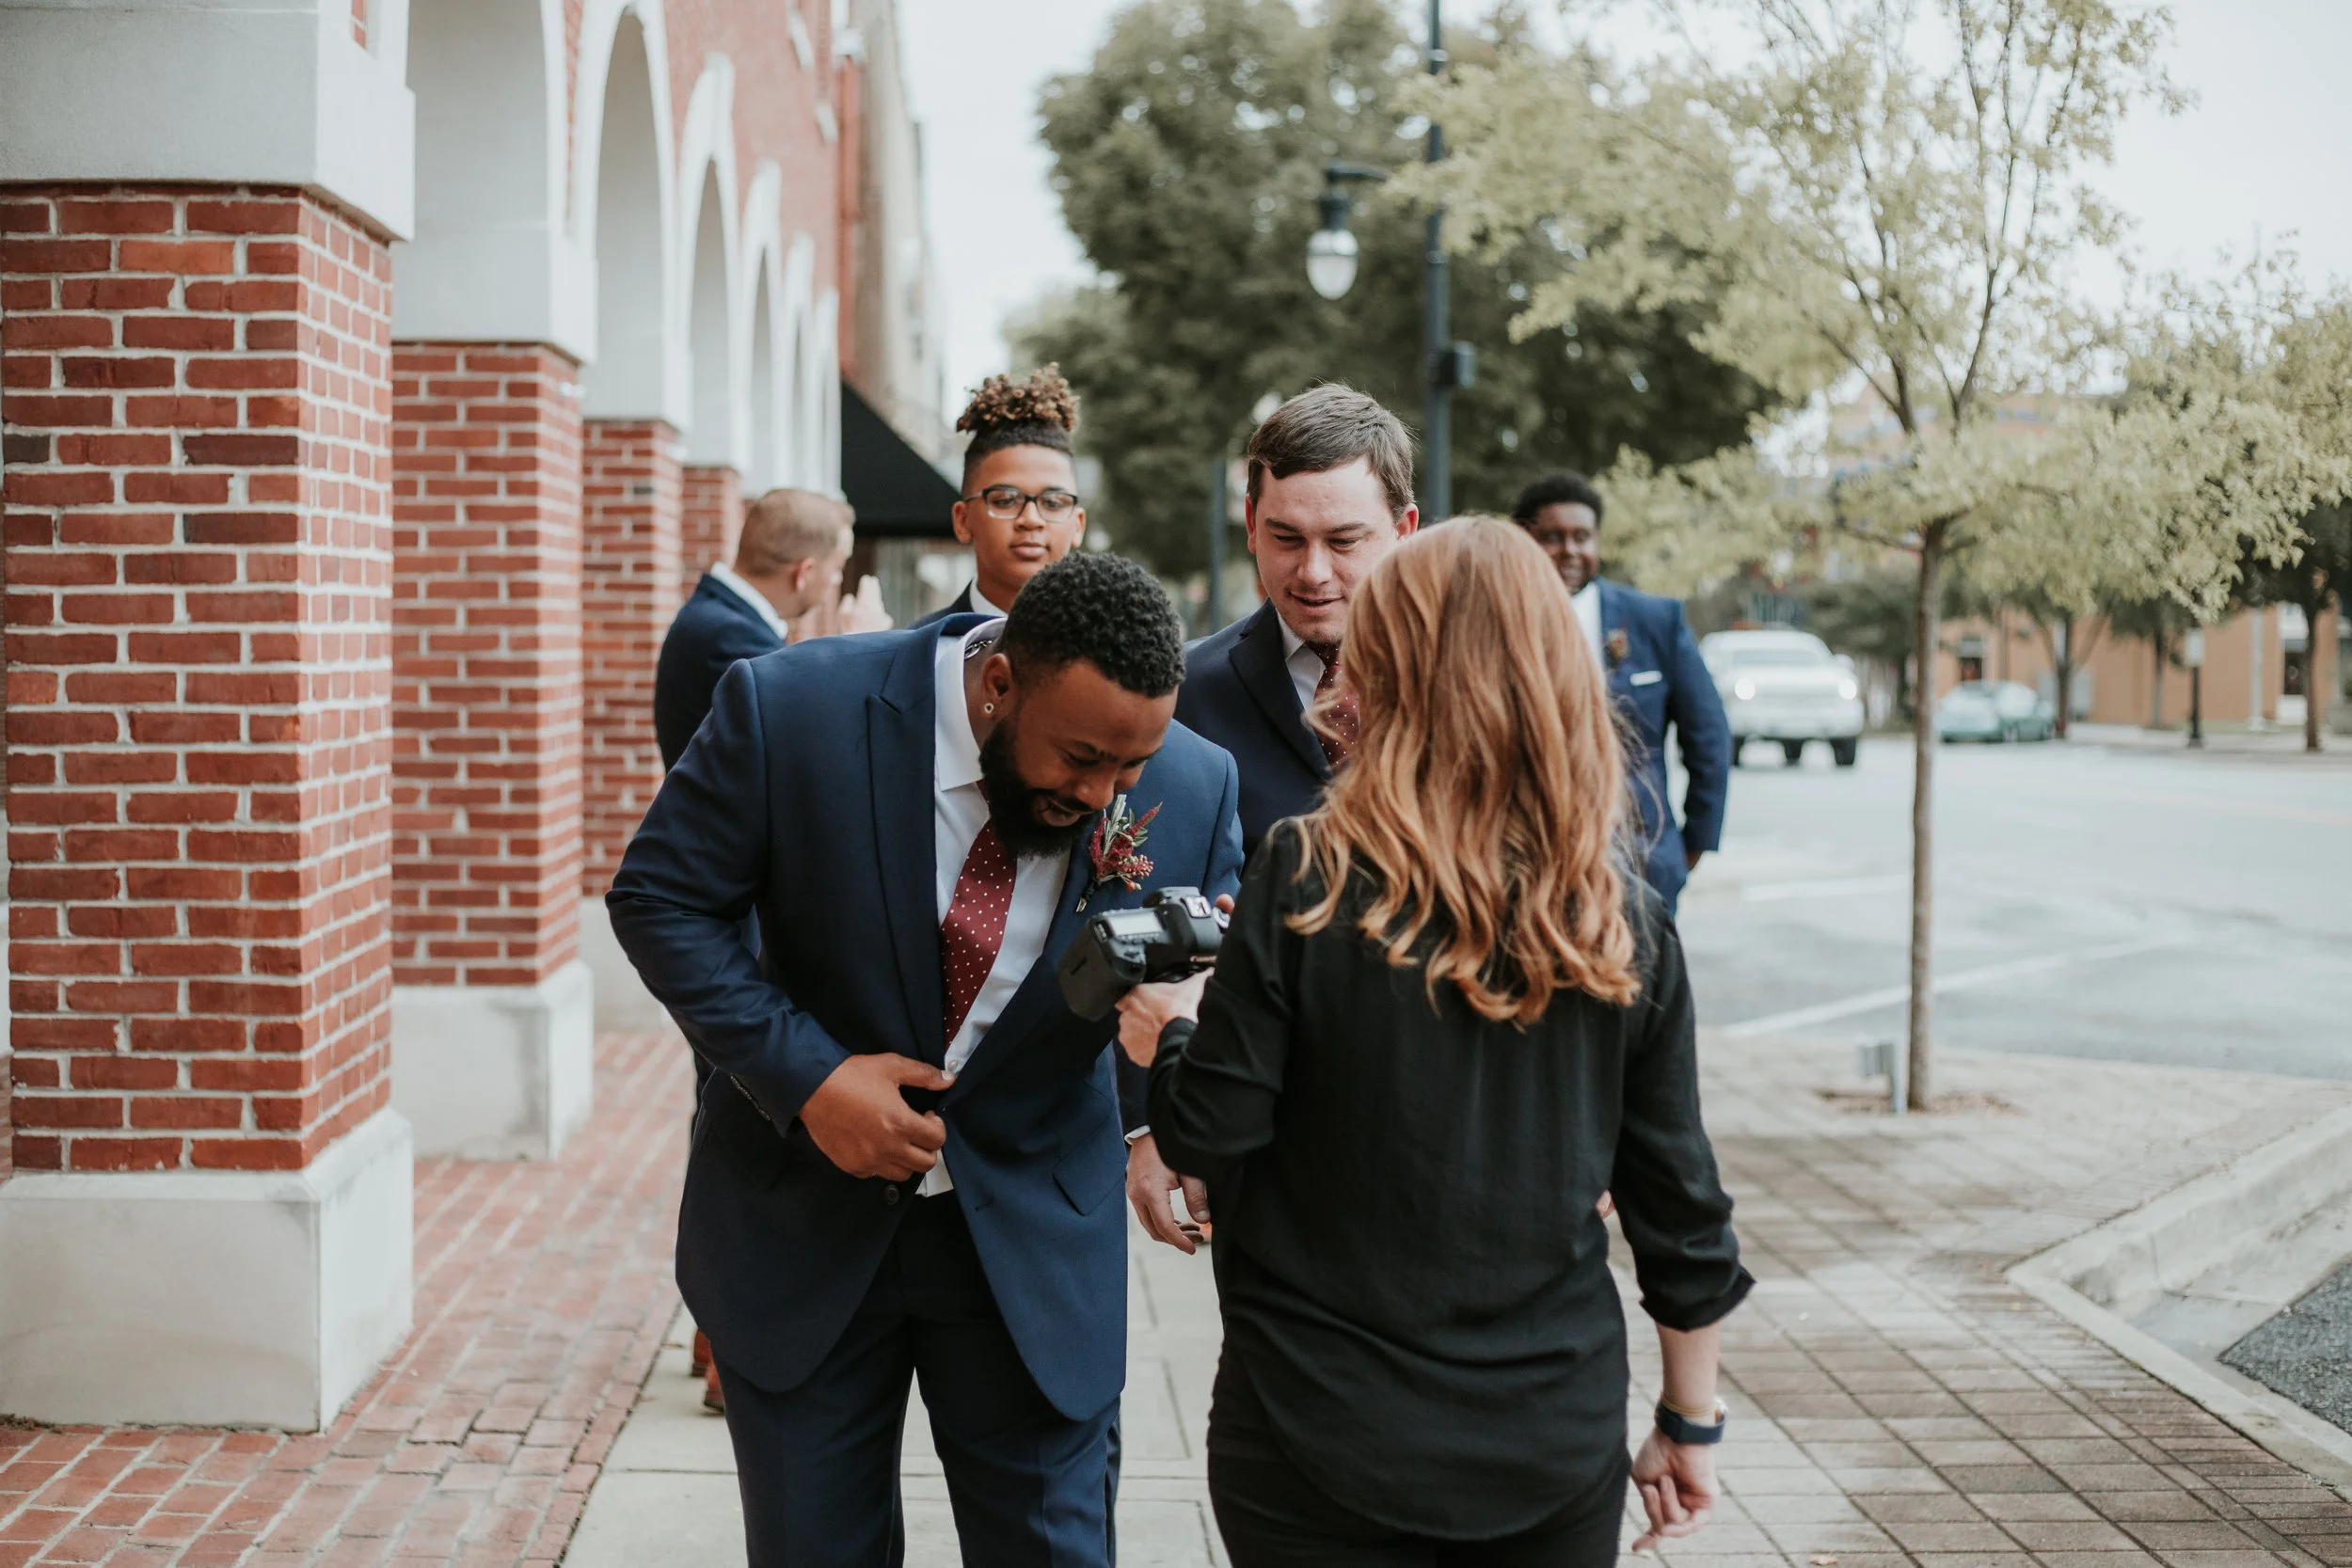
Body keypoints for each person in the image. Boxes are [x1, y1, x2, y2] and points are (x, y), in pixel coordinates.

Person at [1117, 517, 1751, 1565]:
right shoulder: (1619, 917)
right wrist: (1689, 1422)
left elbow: (1213, 1130)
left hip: (1312, 1430)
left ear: (1397, 668)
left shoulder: (1306, 874)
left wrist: (1174, 1029)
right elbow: (1682, 1212)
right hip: (1547, 1438)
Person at [607, 553, 1245, 1568]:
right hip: (803, 1228)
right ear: (999, 684)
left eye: (1128, 770)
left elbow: (1186, 975)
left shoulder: (1195, 782)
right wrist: (806, 1075)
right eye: (1079, 757)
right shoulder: (789, 708)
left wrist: (1159, 1110)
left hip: (1033, 1241)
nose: (1101, 793)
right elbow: (660, 901)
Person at [1134, 385, 1420, 1256]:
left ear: (1404, 529)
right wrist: (1148, 1126)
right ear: (1250, 522)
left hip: (1444, 1117)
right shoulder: (1180, 698)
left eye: (1345, 540)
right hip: (1252, 1135)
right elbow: (1137, 914)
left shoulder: (1474, 692)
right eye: (1287, 539)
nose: (1314, 572)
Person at [1513, 472, 1730, 911]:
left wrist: (1690, 849)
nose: (1570, 551)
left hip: (1641, 863)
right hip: (1523, 865)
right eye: (1553, 537)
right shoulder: (1493, 621)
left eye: (1582, 537)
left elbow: (1708, 739)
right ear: (1524, 541)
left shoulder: (1655, 621)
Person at [654, 485, 887, 771]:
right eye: (838, 567)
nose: (837, 580)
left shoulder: (722, 619)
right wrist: (862, 646)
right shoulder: (729, 635)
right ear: (805, 573)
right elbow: (813, 737)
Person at [918, 365, 1089, 623]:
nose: (1031, 519)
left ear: (1078, 525)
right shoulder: (921, 652)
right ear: (962, 520)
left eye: (1053, 503)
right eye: (1006, 500)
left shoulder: (1112, 655)